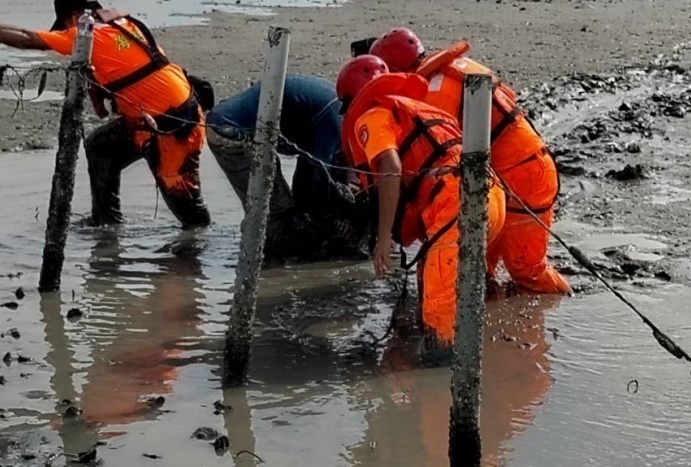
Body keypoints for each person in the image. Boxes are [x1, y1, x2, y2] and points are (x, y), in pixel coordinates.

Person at [0, 0, 210, 228]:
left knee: (190, 214)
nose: (64, 33)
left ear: (75, 16)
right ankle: (106, 224)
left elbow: (27, 38)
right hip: (159, 114)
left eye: (64, 26)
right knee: (101, 146)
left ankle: (196, 257)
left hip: (174, 127)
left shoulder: (90, 34)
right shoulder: (124, 25)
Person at [369, 27, 571, 296]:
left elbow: (439, 152)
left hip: (524, 176)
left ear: (396, 69)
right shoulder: (459, 68)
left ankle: (564, 300)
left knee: (528, 272)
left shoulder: (434, 92)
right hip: (501, 175)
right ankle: (490, 321)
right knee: (474, 269)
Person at [336, 54, 505, 353]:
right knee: (434, 284)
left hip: (457, 206)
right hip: (492, 196)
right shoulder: (418, 108)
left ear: (352, 99)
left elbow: (389, 168)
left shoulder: (371, 116)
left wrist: (385, 239)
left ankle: (438, 382)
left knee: (440, 331)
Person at [205, 74, 369, 261]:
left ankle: (273, 251)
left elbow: (310, 171)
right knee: (275, 210)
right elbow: (321, 174)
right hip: (233, 135)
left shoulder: (334, 105)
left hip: (234, 124)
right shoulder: (335, 118)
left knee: (287, 207)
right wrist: (336, 213)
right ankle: (267, 262)